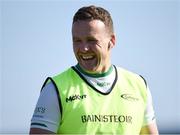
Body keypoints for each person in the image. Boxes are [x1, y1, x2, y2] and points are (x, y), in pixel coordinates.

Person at [30, 5, 159, 134]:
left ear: (112, 41)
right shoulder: (54, 89)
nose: (84, 48)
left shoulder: (138, 85)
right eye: (77, 41)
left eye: (91, 40)